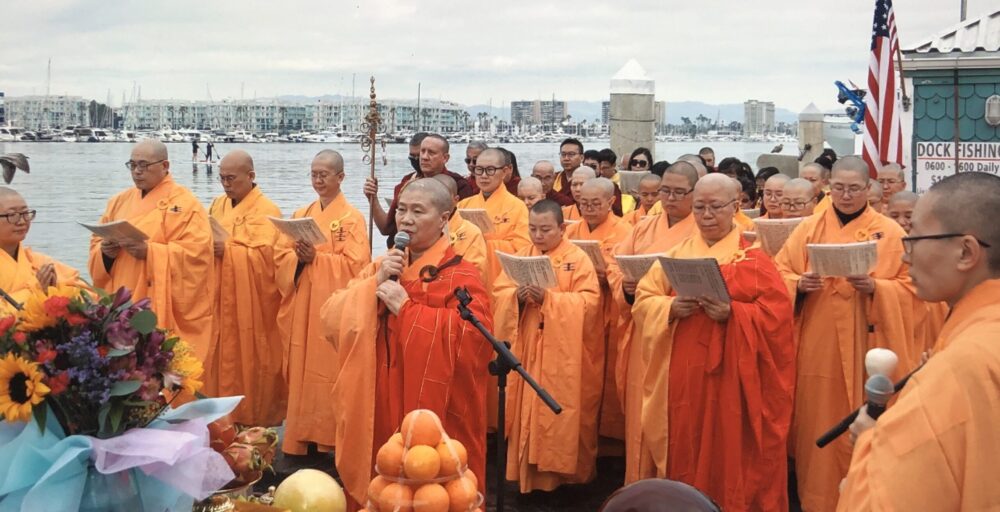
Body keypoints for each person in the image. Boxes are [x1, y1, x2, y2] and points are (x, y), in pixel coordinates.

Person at [324, 179, 492, 510]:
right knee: (386, 476)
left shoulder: (461, 275)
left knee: (434, 485)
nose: (406, 219)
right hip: (382, 392)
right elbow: (330, 318)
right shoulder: (386, 265)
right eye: (401, 209)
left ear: (444, 218)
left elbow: (477, 341)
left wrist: (408, 310)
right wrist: (374, 285)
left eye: (418, 211)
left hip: (435, 404)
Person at [837, 172, 1000, 511]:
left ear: (966, 252)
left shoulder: (962, 366)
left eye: (914, 240)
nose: (905, 257)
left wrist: (870, 437)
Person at [634, 174, 795, 510]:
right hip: (683, 375)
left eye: (715, 207)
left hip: (733, 381)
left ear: (735, 207)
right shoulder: (677, 255)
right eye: (699, 207)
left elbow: (777, 320)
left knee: (730, 450)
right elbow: (644, 300)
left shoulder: (753, 258)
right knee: (686, 443)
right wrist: (670, 307)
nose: (706, 215)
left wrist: (734, 314)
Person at [774, 156, 922, 512]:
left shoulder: (890, 232)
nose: (845, 195)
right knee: (817, 427)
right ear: (827, 187)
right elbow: (779, 272)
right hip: (818, 346)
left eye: (854, 188)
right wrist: (798, 284)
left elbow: (916, 288)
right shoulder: (809, 227)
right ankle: (816, 502)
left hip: (870, 346)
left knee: (869, 424)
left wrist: (877, 287)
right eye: (838, 187)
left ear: (868, 189)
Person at [494, 199, 601, 492]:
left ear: (561, 228)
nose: (537, 236)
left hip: (563, 352)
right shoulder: (522, 254)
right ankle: (525, 479)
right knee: (525, 408)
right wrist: (516, 296)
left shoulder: (577, 258)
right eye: (532, 228)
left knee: (561, 412)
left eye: (545, 229)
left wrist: (549, 300)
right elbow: (499, 292)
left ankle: (567, 483)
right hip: (527, 345)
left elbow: (590, 303)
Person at [606, 161, 700, 483]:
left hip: (682, 332)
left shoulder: (702, 229)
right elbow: (615, 264)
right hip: (644, 326)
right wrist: (626, 286)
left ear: (694, 193)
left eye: (679, 192)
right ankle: (637, 484)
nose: (670, 199)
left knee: (674, 413)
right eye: (665, 191)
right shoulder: (645, 226)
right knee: (640, 409)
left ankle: (676, 489)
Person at [276, 150, 371, 456]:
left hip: (331, 307)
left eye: (324, 175)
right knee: (302, 366)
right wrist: (298, 259)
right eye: (313, 174)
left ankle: (330, 440)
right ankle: (301, 437)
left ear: (341, 177)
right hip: (303, 303)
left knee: (328, 369)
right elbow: (280, 256)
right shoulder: (302, 212)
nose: (317, 180)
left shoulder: (352, 218)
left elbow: (358, 267)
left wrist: (317, 259)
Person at [87, 140, 214, 360]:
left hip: (156, 302)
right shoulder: (118, 202)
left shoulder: (187, 204)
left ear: (165, 166)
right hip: (121, 300)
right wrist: (105, 253)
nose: (137, 172)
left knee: (157, 371)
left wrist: (151, 252)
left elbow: (199, 254)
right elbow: (96, 244)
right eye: (133, 165)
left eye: (144, 165)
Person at [204, 150, 286, 426]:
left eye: (231, 179)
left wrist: (227, 252)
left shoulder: (268, 211)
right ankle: (218, 421)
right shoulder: (217, 205)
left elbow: (268, 259)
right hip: (219, 299)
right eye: (222, 178)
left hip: (252, 308)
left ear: (251, 176)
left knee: (252, 362)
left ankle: (253, 421)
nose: (226, 184)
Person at [565, 178, 634, 444]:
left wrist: (610, 278)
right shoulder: (570, 232)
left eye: (595, 203)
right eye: (583, 203)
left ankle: (613, 440)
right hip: (582, 311)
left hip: (613, 308)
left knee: (611, 371)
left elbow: (626, 270)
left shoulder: (626, 231)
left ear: (611, 202)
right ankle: (584, 434)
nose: (589, 209)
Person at [364, 133, 473, 242]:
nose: (424, 157)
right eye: (422, 151)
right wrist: (373, 198)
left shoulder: (458, 185)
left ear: (445, 158)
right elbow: (386, 229)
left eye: (431, 153)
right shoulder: (407, 182)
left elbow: (466, 231)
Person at [456, 148, 531, 281]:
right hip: (466, 277)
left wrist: (480, 240)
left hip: (498, 279)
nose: (484, 176)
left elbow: (523, 249)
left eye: (490, 170)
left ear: (505, 171)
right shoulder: (463, 205)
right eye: (479, 169)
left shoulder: (517, 207)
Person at [0, 187, 84, 306]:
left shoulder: (39, 262)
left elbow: (86, 296)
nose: (22, 221)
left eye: (25, 213)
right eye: (12, 215)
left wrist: (52, 290)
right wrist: (37, 290)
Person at [431, 173, 488, 283]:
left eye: (444, 197)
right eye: (432, 196)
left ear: (456, 200)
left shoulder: (471, 232)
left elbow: (475, 273)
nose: (437, 202)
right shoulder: (418, 228)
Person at [596, 149, 637, 216]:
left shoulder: (623, 180)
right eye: (600, 168)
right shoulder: (595, 182)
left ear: (614, 165)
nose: (601, 172)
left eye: (605, 168)